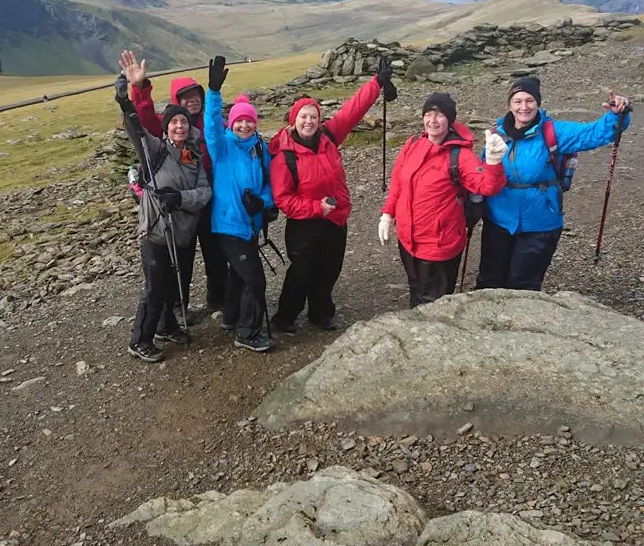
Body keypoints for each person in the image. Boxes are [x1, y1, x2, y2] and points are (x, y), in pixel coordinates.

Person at [268, 56, 398, 333]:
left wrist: (376, 83)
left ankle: (320, 313)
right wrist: (316, 208)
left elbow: (352, 110)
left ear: (319, 119)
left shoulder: (328, 136)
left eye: (313, 116)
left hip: (335, 218)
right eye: (303, 116)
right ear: (294, 119)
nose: (309, 121)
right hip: (305, 223)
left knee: (329, 268)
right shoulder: (285, 155)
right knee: (301, 271)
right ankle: (285, 317)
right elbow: (283, 199)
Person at [475, 77, 631, 292]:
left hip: (540, 223)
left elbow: (592, 134)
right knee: (489, 279)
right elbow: (483, 173)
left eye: (529, 100)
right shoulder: (496, 134)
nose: (524, 107)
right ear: (509, 105)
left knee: (523, 283)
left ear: (538, 103)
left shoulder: (553, 132)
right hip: (499, 221)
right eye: (517, 101)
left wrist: (616, 116)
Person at [120, 50, 228, 319]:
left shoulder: (214, 123)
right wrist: (139, 87)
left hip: (211, 201)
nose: (192, 100)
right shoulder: (170, 125)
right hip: (179, 208)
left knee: (216, 253)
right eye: (185, 97)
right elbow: (143, 119)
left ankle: (219, 298)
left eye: (196, 95)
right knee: (183, 258)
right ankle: (179, 306)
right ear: (176, 103)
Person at [115, 76, 212, 362]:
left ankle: (166, 326)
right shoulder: (155, 150)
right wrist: (125, 101)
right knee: (156, 287)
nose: (180, 126)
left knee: (173, 283)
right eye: (174, 122)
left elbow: (205, 192)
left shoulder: (194, 156)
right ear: (166, 128)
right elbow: (136, 128)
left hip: (181, 232)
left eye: (184, 122)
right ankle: (140, 340)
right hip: (156, 231)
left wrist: (180, 199)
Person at [378, 93, 507, 307]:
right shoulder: (413, 143)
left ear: (450, 120)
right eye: (428, 114)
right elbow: (398, 182)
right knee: (416, 288)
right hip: (408, 239)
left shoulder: (461, 155)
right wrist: (387, 214)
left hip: (439, 245)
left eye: (439, 115)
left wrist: (493, 161)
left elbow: (487, 186)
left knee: (434, 302)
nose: (432, 120)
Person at [204, 55, 275, 353]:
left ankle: (232, 318)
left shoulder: (260, 147)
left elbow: (269, 182)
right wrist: (213, 92)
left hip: (251, 224)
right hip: (228, 225)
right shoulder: (221, 146)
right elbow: (210, 123)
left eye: (249, 120)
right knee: (255, 280)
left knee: (238, 274)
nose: (244, 124)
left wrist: (264, 202)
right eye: (239, 120)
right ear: (232, 123)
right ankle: (247, 332)